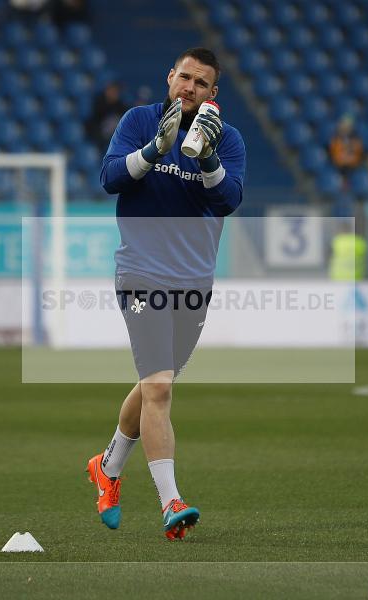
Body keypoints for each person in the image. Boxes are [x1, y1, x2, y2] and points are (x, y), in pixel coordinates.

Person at [91, 48, 245, 540]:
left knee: (153, 383)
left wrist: (208, 160)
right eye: (184, 77)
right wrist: (156, 150)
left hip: (194, 283)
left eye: (201, 84)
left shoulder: (229, 139)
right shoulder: (139, 122)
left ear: (212, 94)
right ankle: (170, 502)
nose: (189, 88)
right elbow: (110, 178)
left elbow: (229, 200)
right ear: (169, 77)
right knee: (159, 387)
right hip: (141, 274)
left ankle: (107, 467)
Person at [85, 82, 129, 154]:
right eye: (113, 91)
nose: (115, 94)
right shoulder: (98, 102)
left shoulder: (119, 104)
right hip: (96, 134)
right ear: (107, 90)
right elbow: (94, 122)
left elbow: (127, 113)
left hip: (111, 136)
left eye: (117, 92)